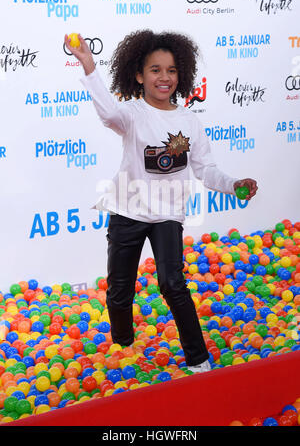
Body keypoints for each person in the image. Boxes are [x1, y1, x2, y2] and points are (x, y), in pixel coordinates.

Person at [64, 30, 258, 374]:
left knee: (172, 283)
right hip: (128, 211)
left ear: (180, 74)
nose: (164, 77)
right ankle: (123, 347)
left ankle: (199, 360)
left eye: (170, 70)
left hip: (168, 214)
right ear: (139, 75)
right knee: (119, 291)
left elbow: (206, 170)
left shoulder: (188, 121)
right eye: (155, 70)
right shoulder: (132, 114)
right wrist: (89, 66)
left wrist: (234, 184)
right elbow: (108, 114)